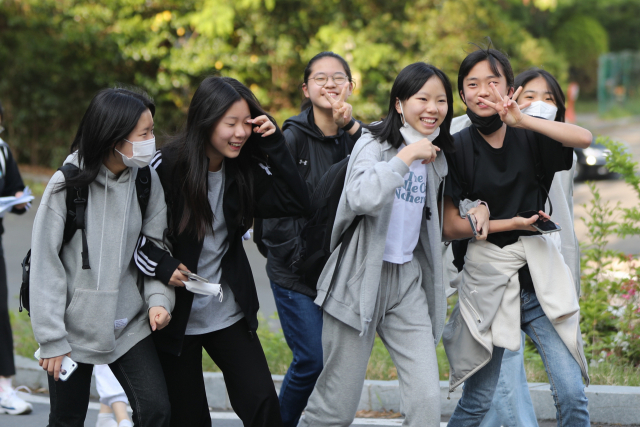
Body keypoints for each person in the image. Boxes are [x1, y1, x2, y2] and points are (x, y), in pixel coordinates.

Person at [136, 76, 309, 427]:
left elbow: (297, 201)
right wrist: (161, 264)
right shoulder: (165, 166)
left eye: (246, 123)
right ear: (206, 120)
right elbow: (130, 235)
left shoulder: (244, 169)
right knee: (190, 419)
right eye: (230, 123)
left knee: (263, 408)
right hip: (173, 316)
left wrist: (275, 142)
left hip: (226, 310)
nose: (240, 133)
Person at [441, 43, 592, 426]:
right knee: (477, 402)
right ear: (462, 95)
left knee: (573, 395)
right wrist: (509, 224)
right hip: (489, 285)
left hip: (539, 283)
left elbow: (584, 138)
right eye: (472, 84)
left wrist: (522, 120)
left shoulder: (530, 133)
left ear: (509, 88)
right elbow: (450, 227)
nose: (482, 91)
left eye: (493, 82)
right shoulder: (456, 147)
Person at [299, 62, 455, 427]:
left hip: (406, 283)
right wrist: (406, 156)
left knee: (427, 400)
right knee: (335, 409)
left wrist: (474, 207)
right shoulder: (373, 144)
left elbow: (446, 206)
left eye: (441, 101)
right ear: (399, 103)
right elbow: (362, 197)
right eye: (422, 99)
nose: (433, 109)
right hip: (357, 281)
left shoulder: (438, 155)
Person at [29, 88, 175, 427]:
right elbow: (45, 266)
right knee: (67, 420)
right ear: (114, 138)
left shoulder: (145, 179)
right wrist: (51, 339)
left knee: (156, 411)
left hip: (129, 322)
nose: (152, 140)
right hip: (70, 329)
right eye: (145, 134)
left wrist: (158, 300)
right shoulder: (66, 185)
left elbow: (156, 247)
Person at [259, 51, 362, 427]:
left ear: (350, 86)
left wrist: (351, 129)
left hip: (337, 274)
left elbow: (381, 172)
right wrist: (297, 257)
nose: (330, 84)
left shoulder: (359, 137)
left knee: (330, 363)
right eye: (321, 78)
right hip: (295, 272)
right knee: (312, 359)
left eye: (339, 78)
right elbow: (273, 211)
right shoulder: (291, 138)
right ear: (306, 88)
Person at [479, 68, 581, 427]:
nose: (540, 104)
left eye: (549, 98)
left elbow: (566, 223)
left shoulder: (559, 149)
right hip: (498, 284)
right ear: (511, 98)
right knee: (503, 397)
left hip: (545, 279)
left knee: (571, 392)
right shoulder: (484, 143)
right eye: (530, 96)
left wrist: (571, 277)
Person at [0, 100, 32, 415]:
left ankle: (4, 389)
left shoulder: (2, 151)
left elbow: (16, 190)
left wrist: (20, 200)